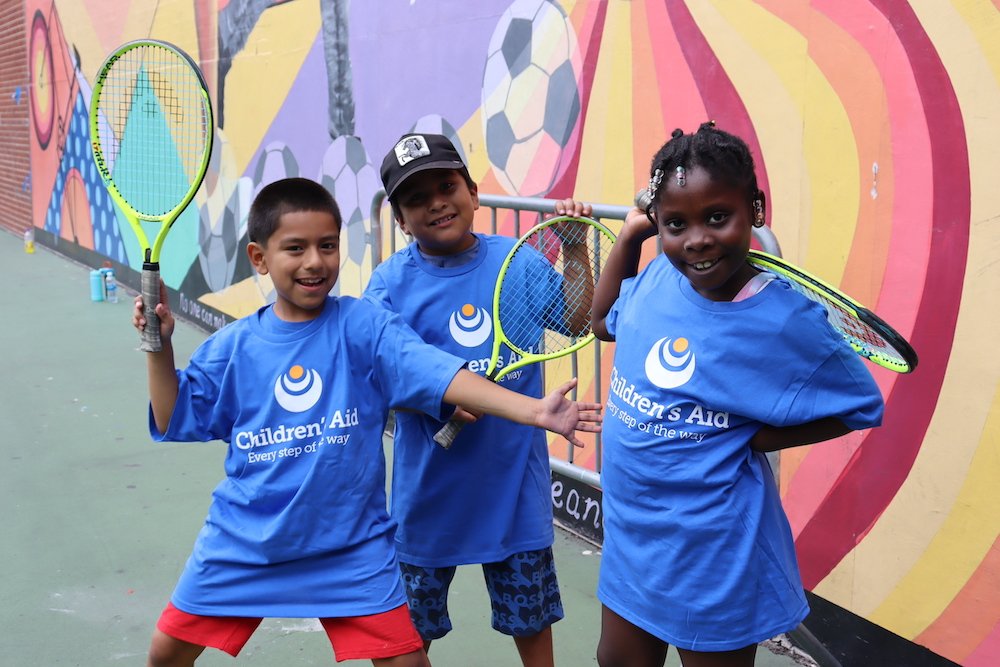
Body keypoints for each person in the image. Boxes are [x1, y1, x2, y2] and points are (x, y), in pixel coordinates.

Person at [132, 176, 602, 667]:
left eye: (327, 246)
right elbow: (172, 413)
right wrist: (159, 348)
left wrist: (534, 411)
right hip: (246, 540)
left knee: (406, 661)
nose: (314, 261)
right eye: (295, 248)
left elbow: (440, 374)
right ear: (259, 258)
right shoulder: (234, 348)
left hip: (350, 544)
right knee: (165, 653)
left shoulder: (364, 326)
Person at [590, 123, 885, 667]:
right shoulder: (658, 276)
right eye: (675, 223)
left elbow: (861, 406)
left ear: (756, 209)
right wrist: (632, 237)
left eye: (716, 217)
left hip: (712, 553)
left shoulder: (782, 316)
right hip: (633, 538)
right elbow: (604, 321)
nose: (696, 238)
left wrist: (752, 435)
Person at [363, 133, 593, 667]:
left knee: (532, 626)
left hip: (513, 491)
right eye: (417, 198)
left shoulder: (518, 262)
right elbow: (382, 367)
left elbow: (575, 320)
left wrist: (576, 248)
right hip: (426, 499)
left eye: (447, 186)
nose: (437, 202)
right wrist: (434, 399)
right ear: (400, 219)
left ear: (472, 192)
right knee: (406, 636)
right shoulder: (388, 285)